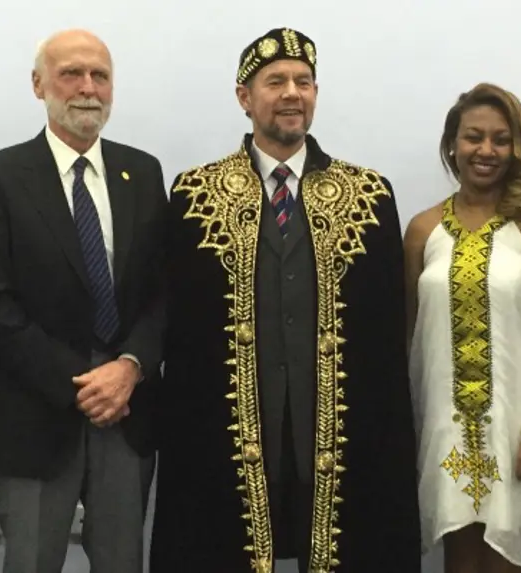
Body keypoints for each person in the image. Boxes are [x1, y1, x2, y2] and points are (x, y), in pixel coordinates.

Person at [149, 27, 420, 573]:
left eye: (303, 81)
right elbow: (175, 327)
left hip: (340, 440)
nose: (291, 93)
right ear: (244, 98)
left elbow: (387, 337)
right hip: (229, 441)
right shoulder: (194, 195)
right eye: (275, 81)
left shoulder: (369, 195)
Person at [0, 29, 166, 573]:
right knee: (28, 562)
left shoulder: (142, 172)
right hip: (33, 413)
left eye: (100, 76)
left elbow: (163, 291)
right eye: (71, 73)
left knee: (123, 561)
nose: (87, 88)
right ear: (38, 85)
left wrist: (129, 368)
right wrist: (83, 381)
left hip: (126, 409)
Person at [405, 83, 521, 573]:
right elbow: (408, 337)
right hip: (444, 432)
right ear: (452, 144)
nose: (487, 151)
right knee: (460, 559)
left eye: (501, 139)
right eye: (474, 137)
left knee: (508, 558)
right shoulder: (422, 229)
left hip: (520, 431)